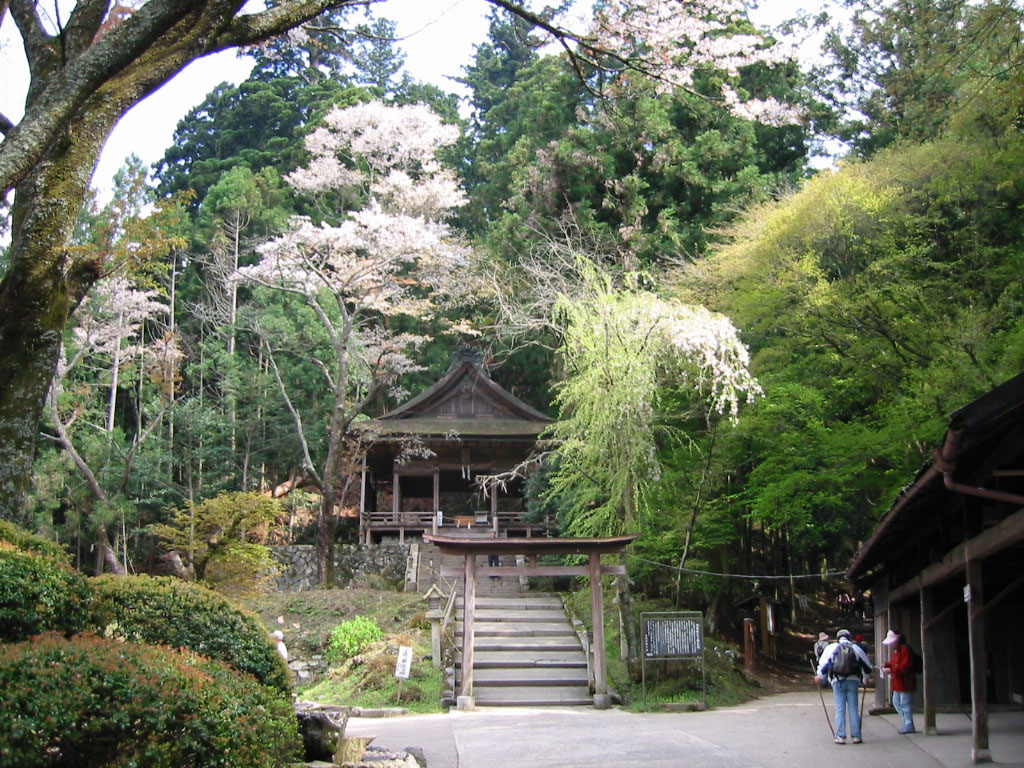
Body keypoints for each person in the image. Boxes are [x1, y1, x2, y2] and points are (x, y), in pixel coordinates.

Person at [815, 628, 872, 744]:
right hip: (853, 681)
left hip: (837, 681)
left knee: (840, 709)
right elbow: (867, 666)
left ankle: (840, 736)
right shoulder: (855, 648)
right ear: (849, 637)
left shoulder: (831, 648)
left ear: (838, 638)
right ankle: (856, 736)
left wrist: (819, 676)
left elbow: (824, 664)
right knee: (853, 709)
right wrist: (866, 679)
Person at [881, 629, 917, 734]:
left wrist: (891, 669)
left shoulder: (905, 650)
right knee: (897, 702)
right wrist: (887, 665)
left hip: (905, 682)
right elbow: (895, 663)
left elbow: (904, 666)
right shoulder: (897, 650)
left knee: (905, 704)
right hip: (898, 682)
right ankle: (907, 721)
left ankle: (908, 723)